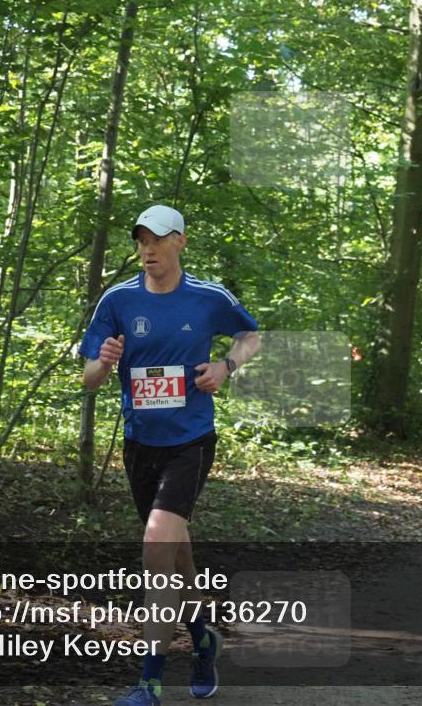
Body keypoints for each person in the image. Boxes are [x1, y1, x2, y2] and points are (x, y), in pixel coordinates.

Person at [80, 204, 261, 706]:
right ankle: (203, 639)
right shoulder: (117, 300)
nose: (148, 249)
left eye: (157, 239)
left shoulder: (207, 298)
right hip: (140, 445)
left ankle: (149, 682)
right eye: (141, 240)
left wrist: (226, 366)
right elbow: (89, 378)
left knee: (157, 542)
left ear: (180, 241)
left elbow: (251, 335)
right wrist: (103, 363)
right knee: (175, 559)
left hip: (191, 442)